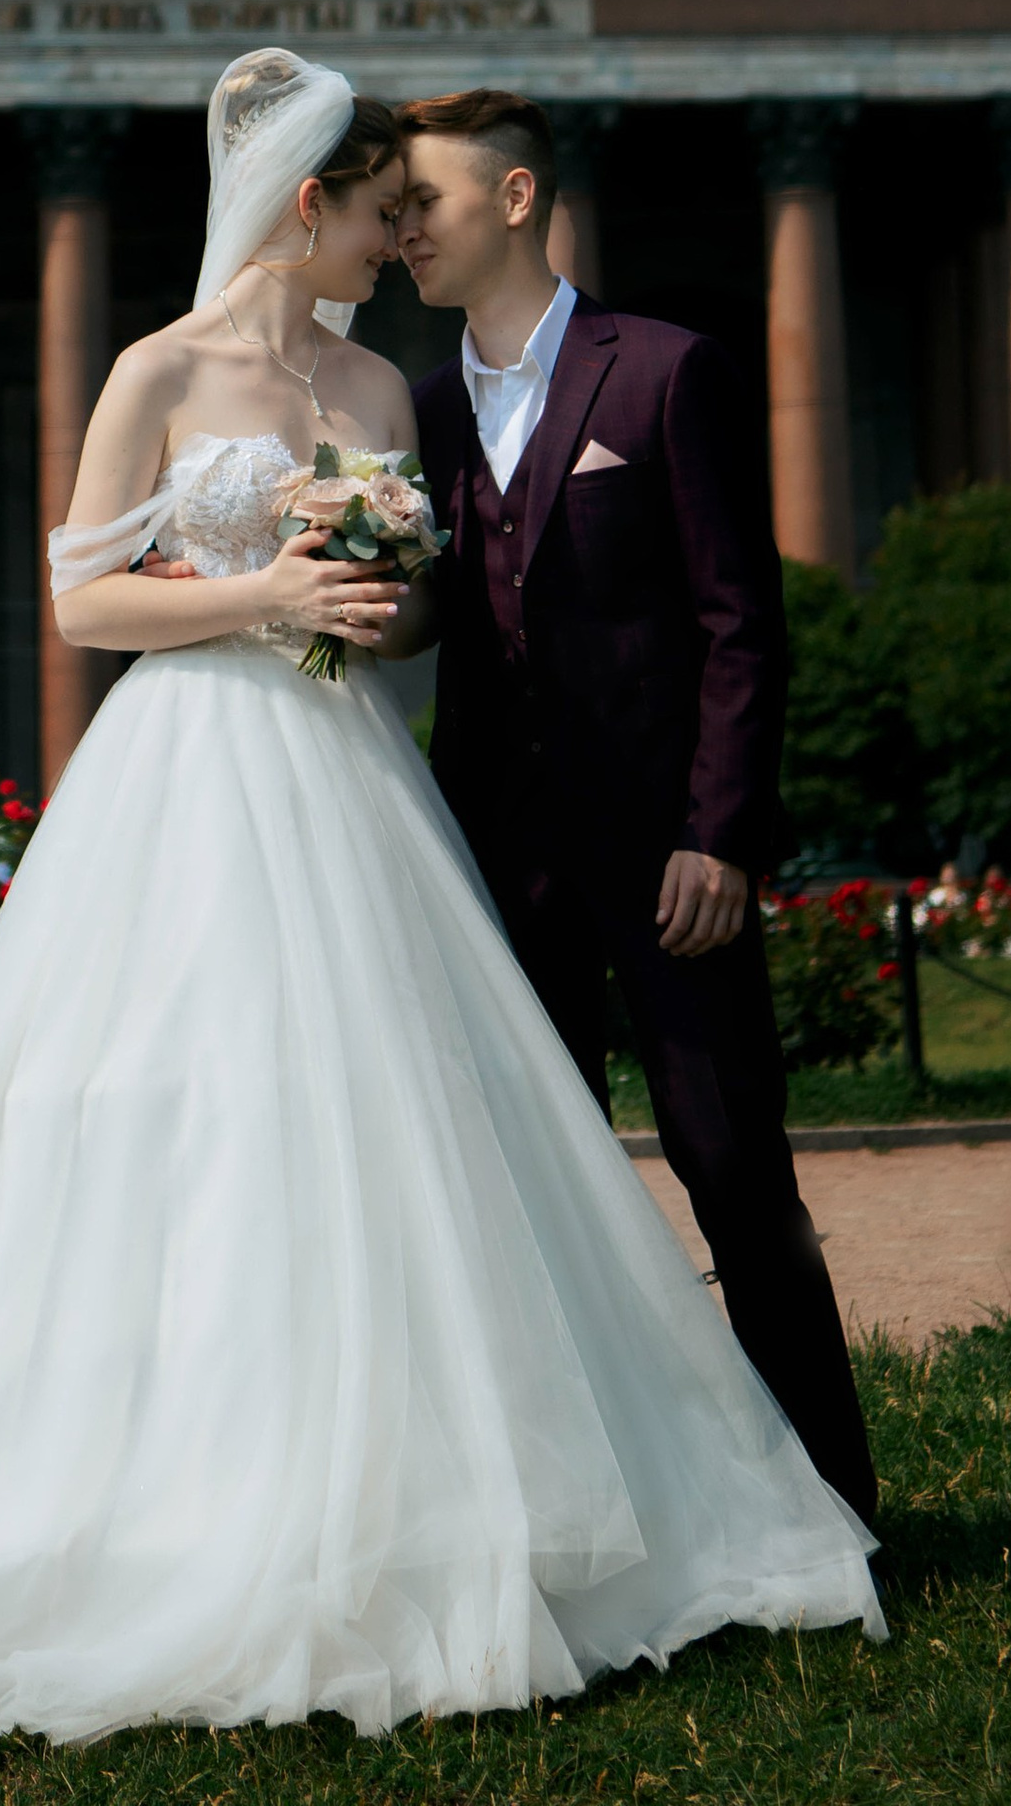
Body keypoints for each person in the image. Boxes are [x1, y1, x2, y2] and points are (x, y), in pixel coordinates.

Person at [0, 52, 878, 1739]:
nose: (398, 244)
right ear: (313, 207)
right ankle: (166, 1494)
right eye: (382, 217)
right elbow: (84, 602)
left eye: (415, 216)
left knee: (411, 1144)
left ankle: (549, 1488)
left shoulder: (390, 394)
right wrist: (260, 593)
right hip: (195, 775)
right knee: (188, 1122)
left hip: (360, 781)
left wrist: (374, 603)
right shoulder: (159, 367)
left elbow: (443, 596)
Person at [395, 87, 878, 1525]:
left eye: (424, 200)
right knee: (533, 1207)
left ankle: (835, 1512)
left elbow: (744, 624)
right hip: (499, 870)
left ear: (519, 197)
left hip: (672, 865)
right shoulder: (417, 413)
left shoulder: (669, 372)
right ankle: (597, 1520)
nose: (402, 229)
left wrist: (721, 834)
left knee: (736, 1179)